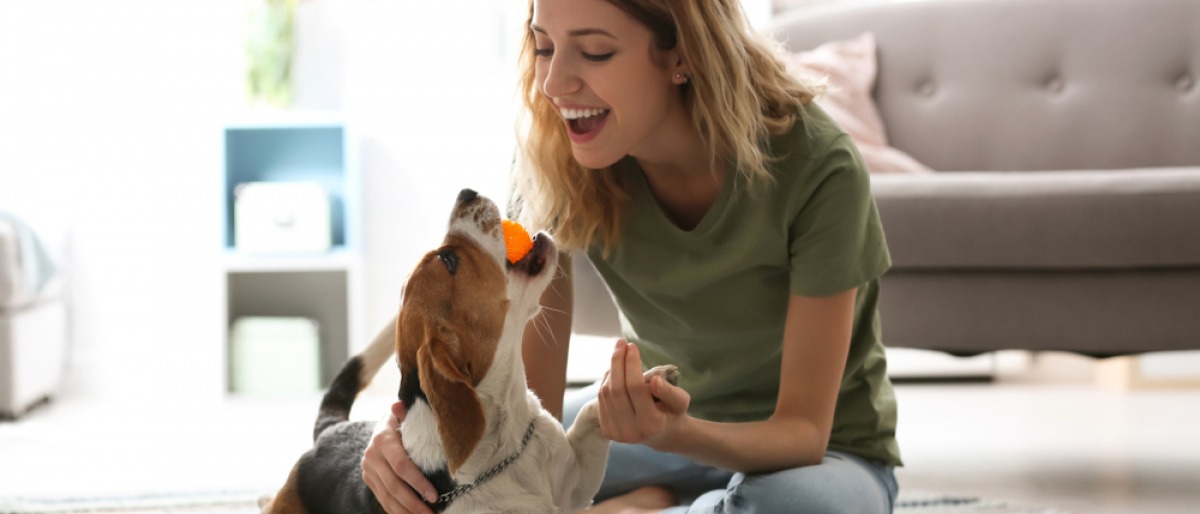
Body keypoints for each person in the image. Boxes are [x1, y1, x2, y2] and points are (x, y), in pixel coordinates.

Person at [361, 0, 902, 512]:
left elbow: (804, 434)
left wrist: (677, 434)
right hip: (646, 428)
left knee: (786, 509)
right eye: (544, 47)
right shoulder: (554, 162)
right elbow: (531, 407)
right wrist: (409, 439)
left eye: (594, 52)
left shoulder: (818, 166)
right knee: (433, 487)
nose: (554, 83)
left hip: (825, 454)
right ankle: (658, 498)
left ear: (683, 54)